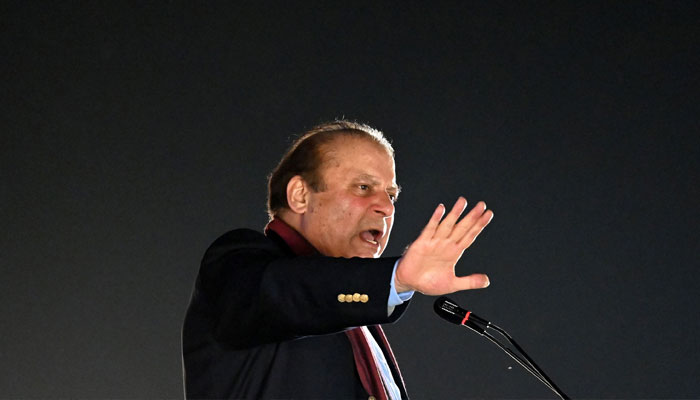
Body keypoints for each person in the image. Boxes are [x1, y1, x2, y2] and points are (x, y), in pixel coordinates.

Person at [182, 120, 493, 399]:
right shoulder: (237, 264)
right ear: (300, 196)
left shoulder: (358, 320)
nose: (386, 207)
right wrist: (394, 278)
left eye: (392, 195)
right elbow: (288, 293)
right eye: (363, 187)